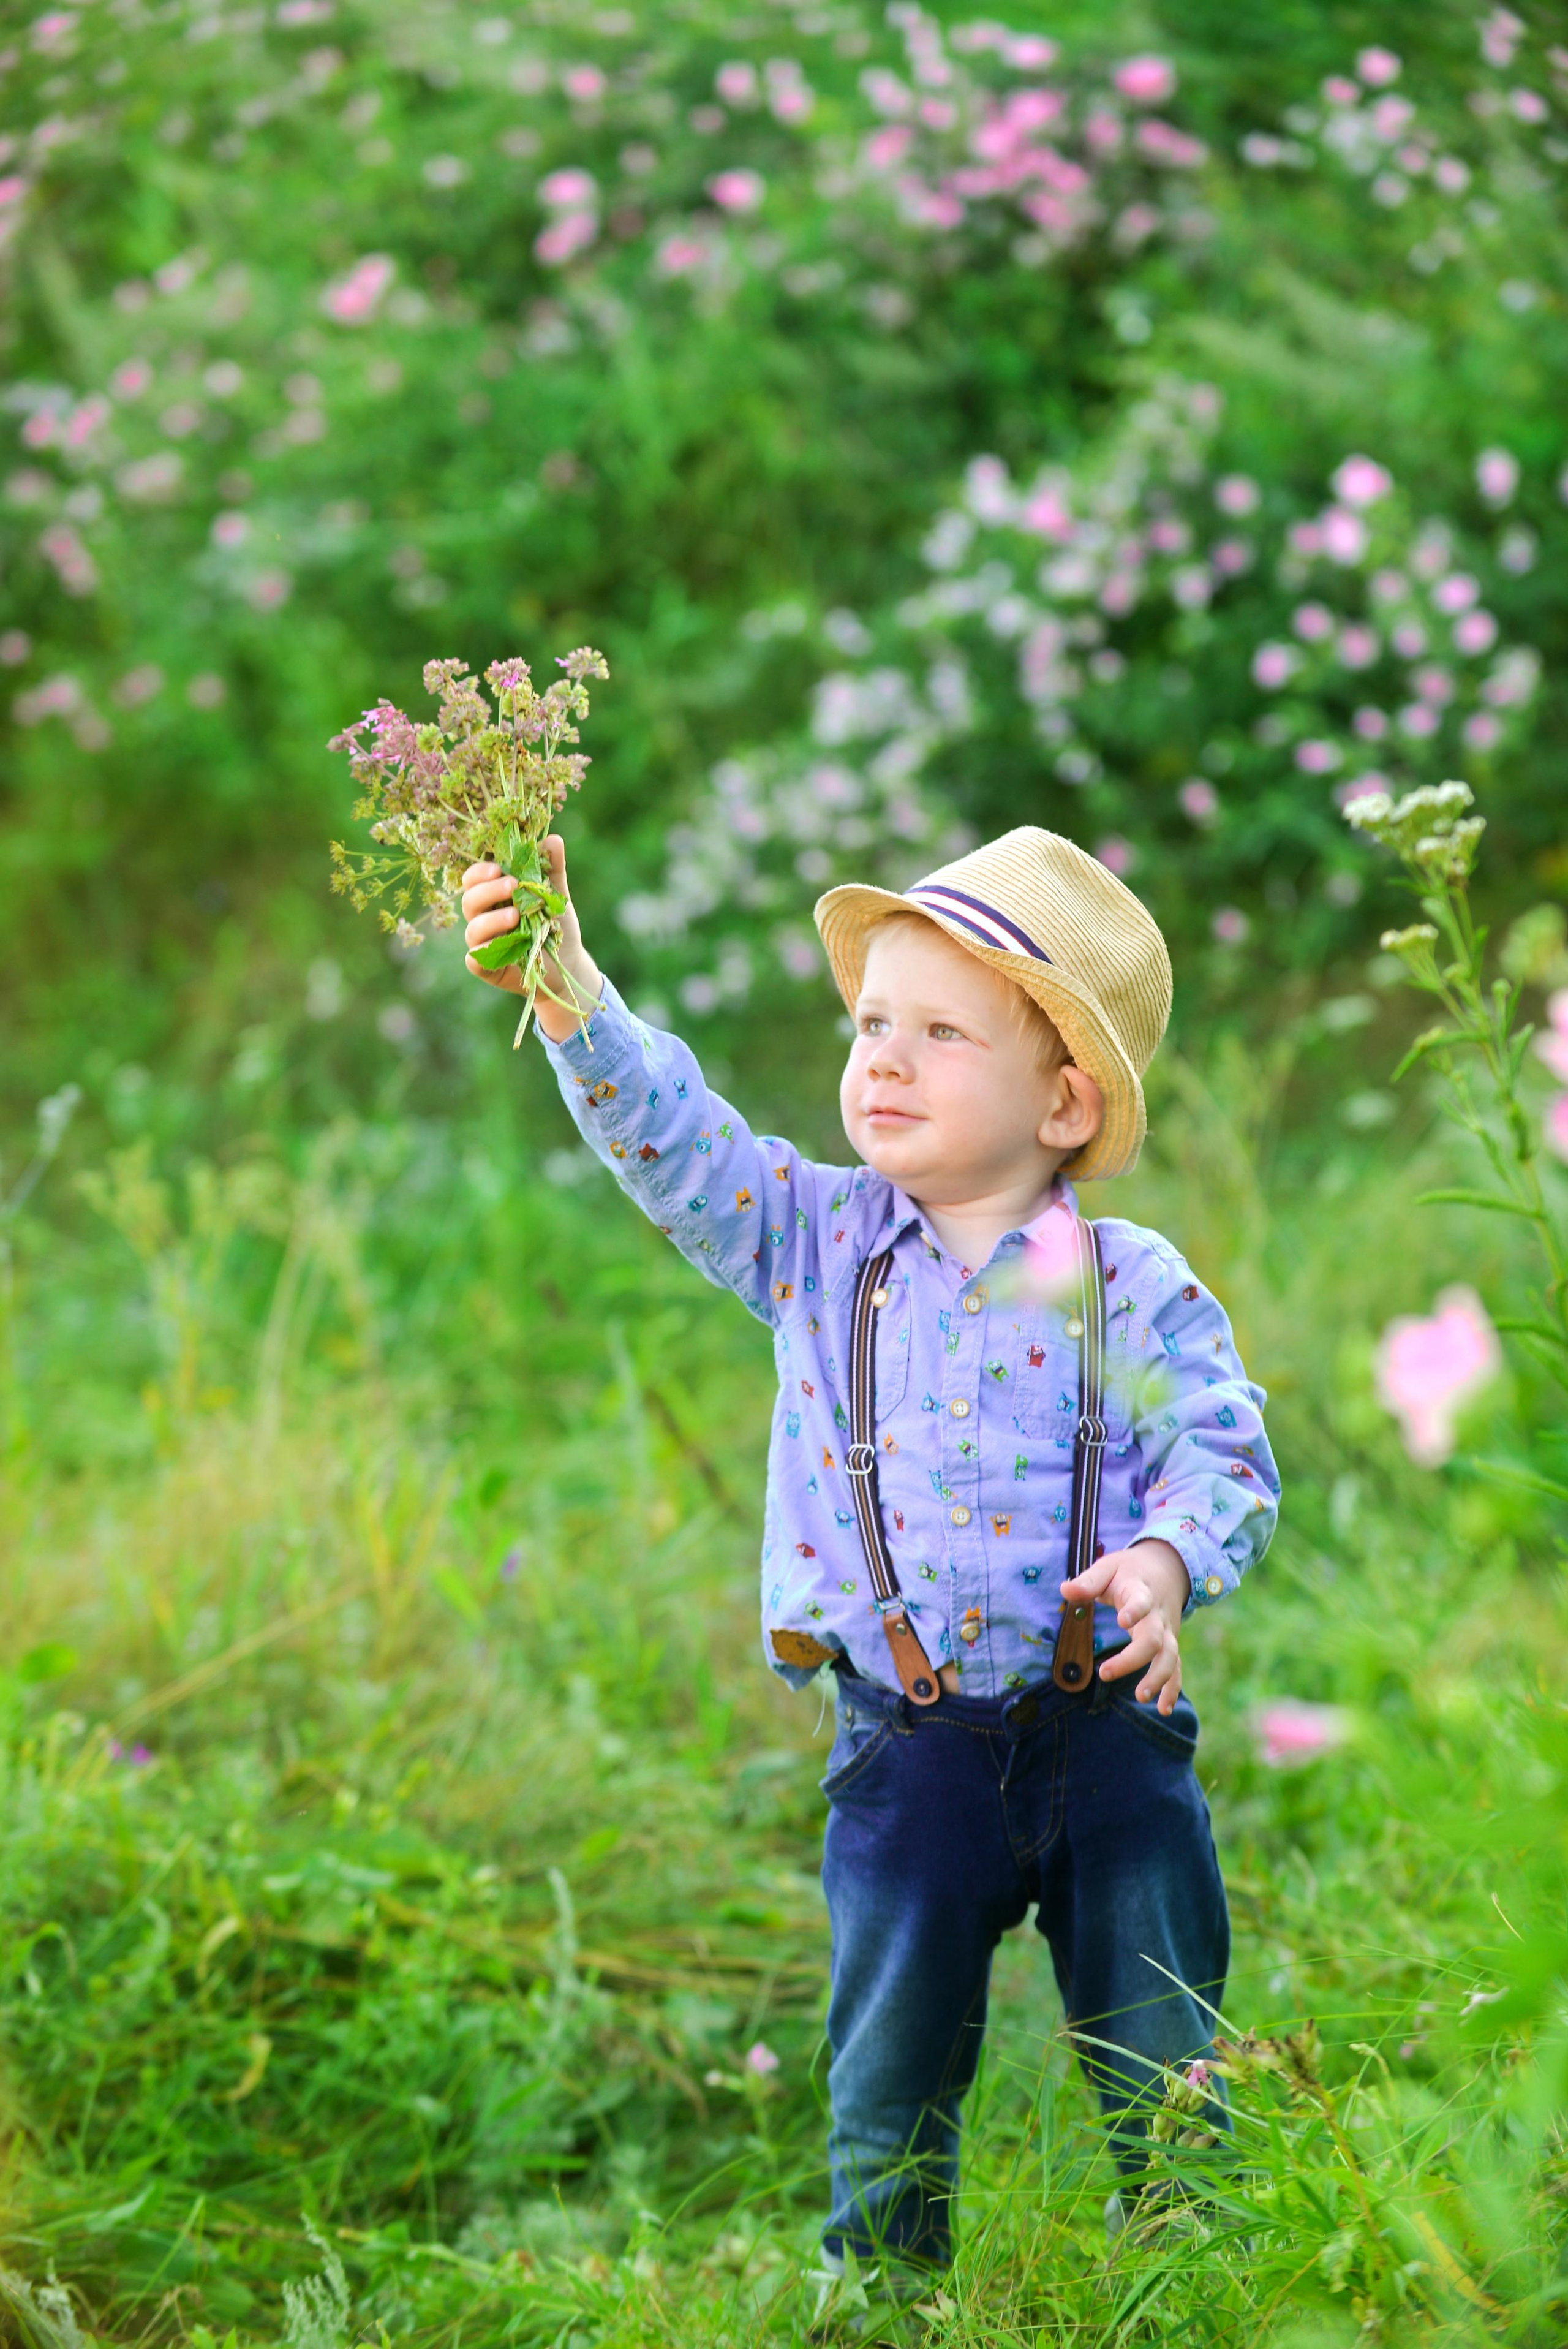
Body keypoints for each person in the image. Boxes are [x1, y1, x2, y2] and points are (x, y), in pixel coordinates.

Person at [461, 823, 1279, 2272]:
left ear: (1062, 1102)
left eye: (940, 1032)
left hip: (1108, 1745)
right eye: (869, 1024)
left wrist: (1163, 1565)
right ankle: (879, 2289)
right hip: (904, 1749)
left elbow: (1222, 1450)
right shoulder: (813, 1244)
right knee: (887, 2077)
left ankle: (1193, 2269)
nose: (882, 1060)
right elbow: (680, 1142)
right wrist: (567, 984)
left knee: (1165, 2054)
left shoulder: (1125, 1285)